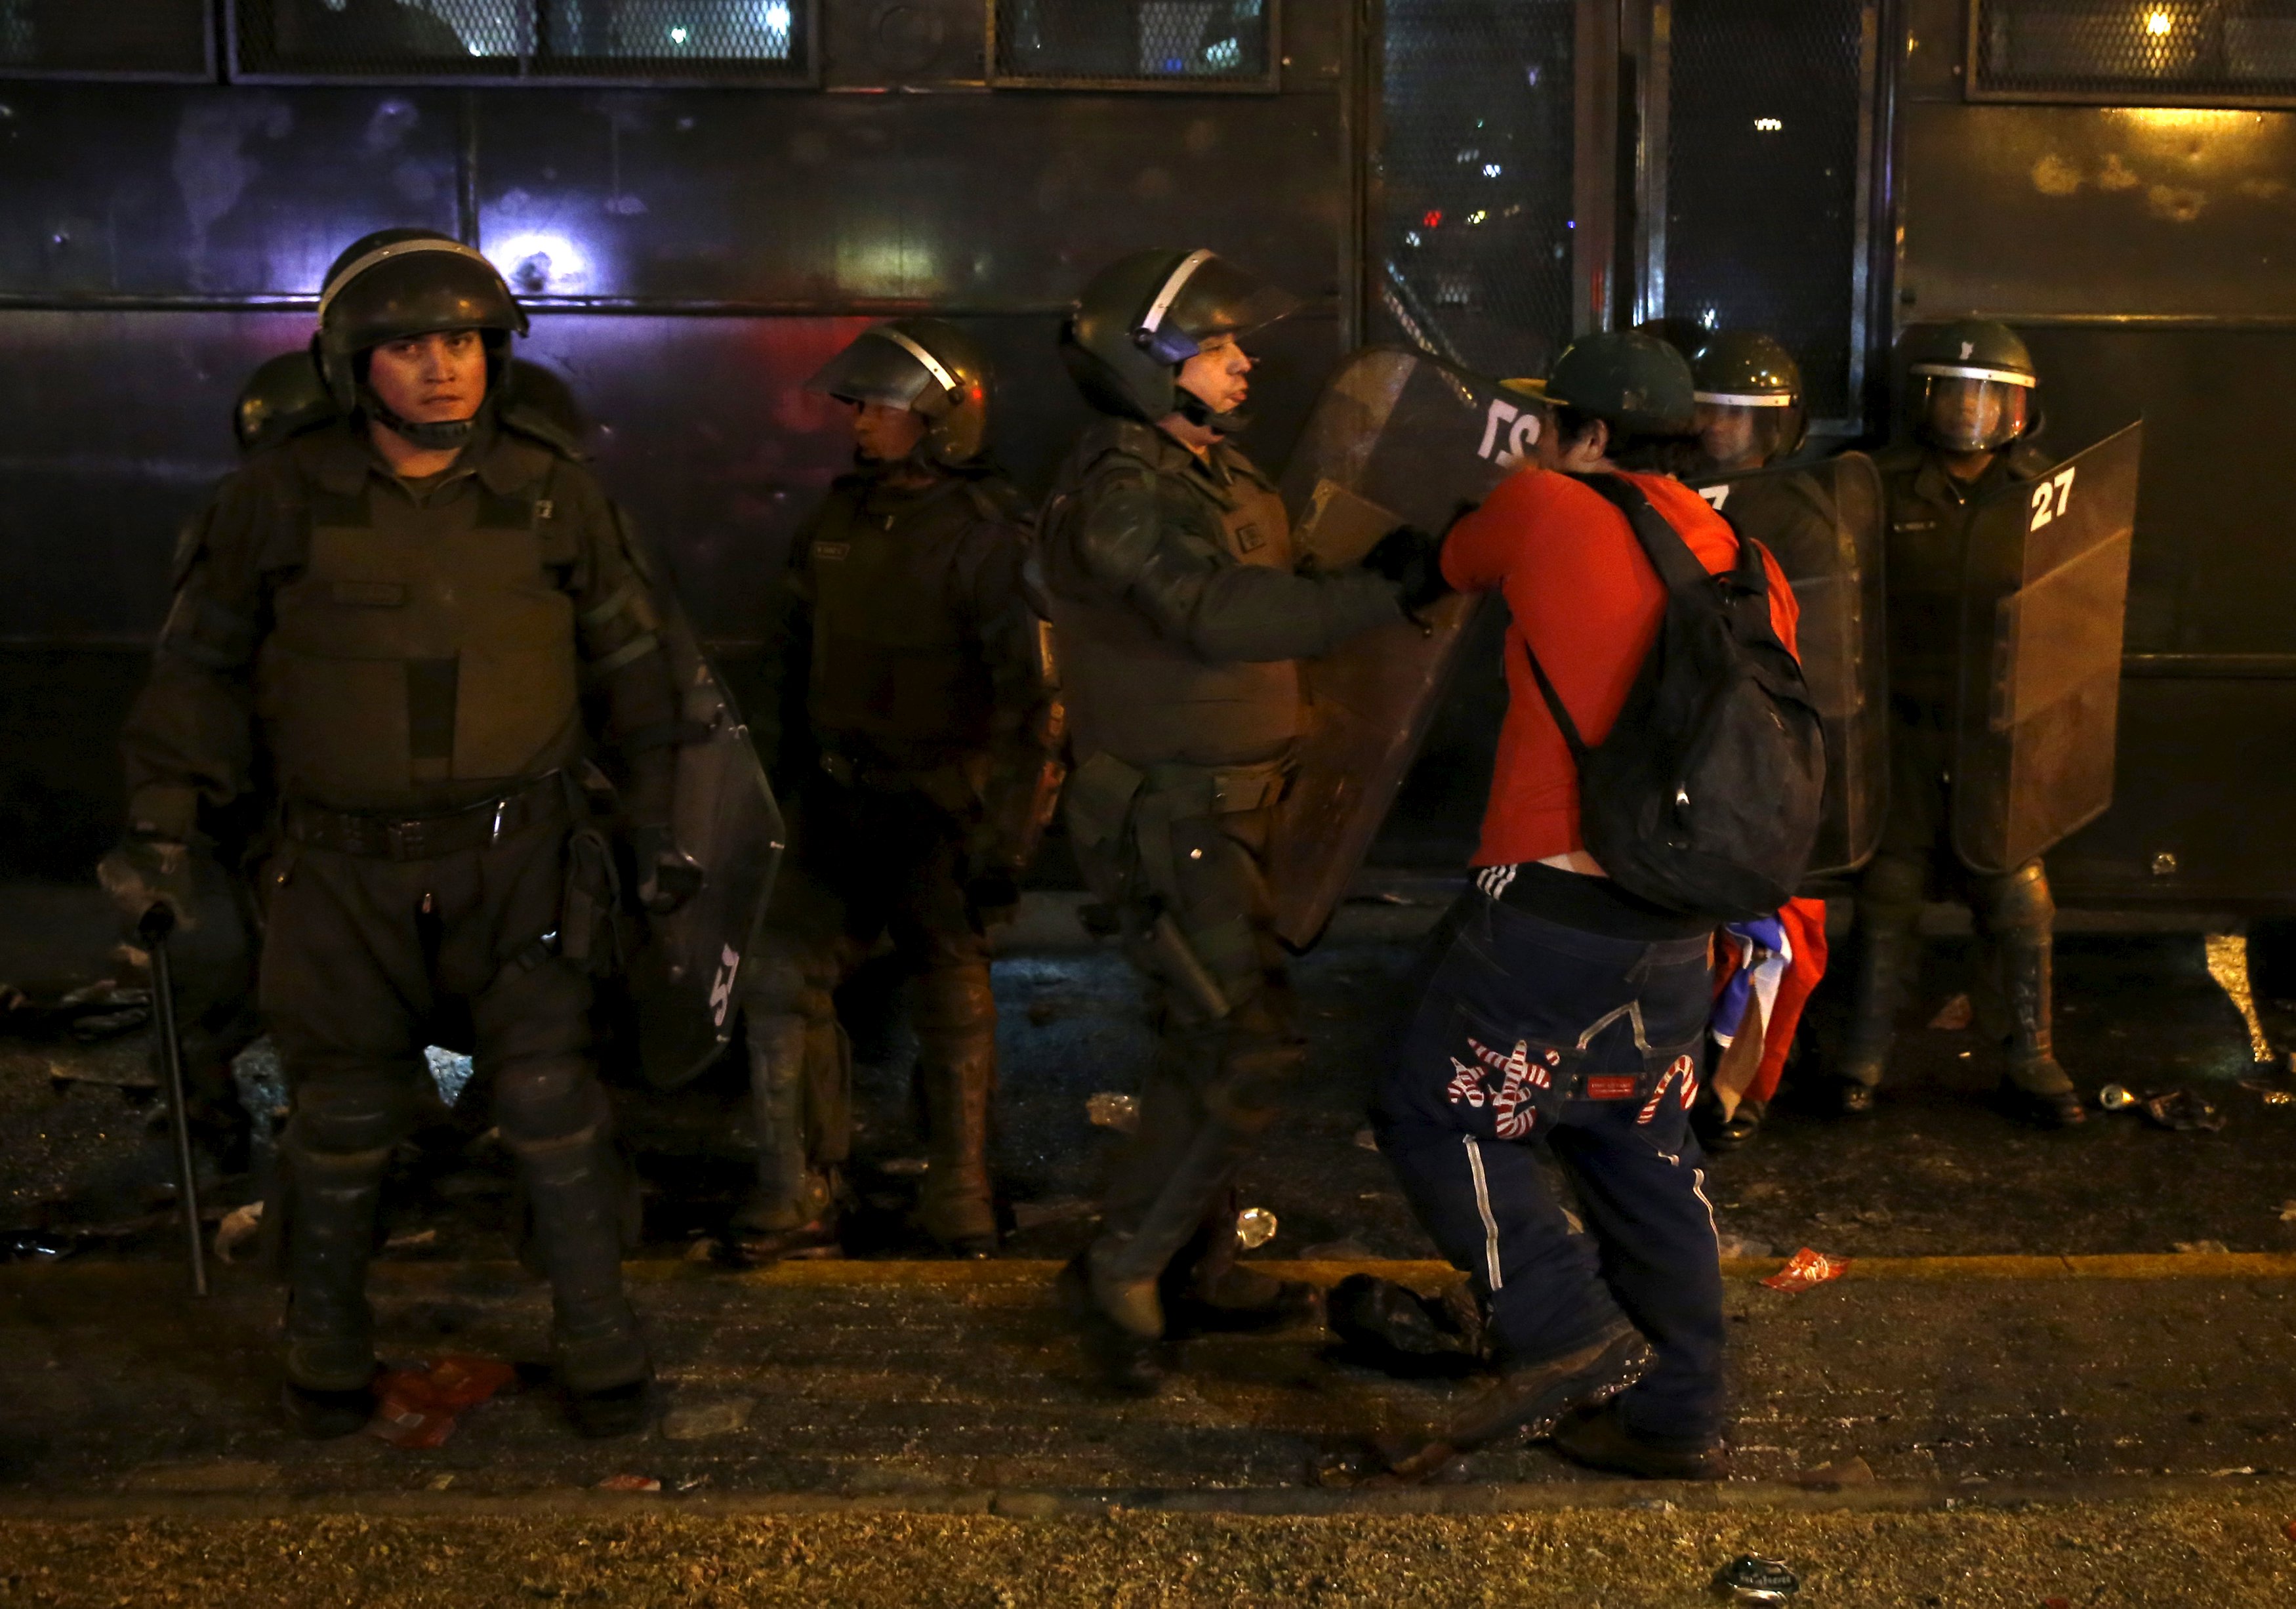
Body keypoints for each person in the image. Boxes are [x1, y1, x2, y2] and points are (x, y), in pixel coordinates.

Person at [102, 228, 695, 1440]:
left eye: (468, 342)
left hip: (521, 855)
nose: (446, 369)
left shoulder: (553, 491)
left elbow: (643, 673)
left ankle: (600, 1343)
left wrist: (667, 828)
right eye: (413, 346)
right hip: (337, 871)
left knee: (550, 1101)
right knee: (342, 1116)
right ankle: (324, 1351)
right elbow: (196, 678)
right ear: (351, 363)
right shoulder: (273, 501)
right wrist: (162, 832)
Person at [1368, 330, 1802, 1482]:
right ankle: (1677, 1414)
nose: (1544, 444)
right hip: (1679, 918)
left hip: (1551, 903)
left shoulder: (1547, 508)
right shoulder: (1747, 558)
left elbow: (1449, 562)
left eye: (1555, 424)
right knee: (1637, 1140)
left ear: (1592, 435)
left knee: (1437, 1109)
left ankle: (1562, 1334)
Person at [1038, 247, 1438, 1393]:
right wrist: (1386, 592)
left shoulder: (1210, 469)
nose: (1242, 361)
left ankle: (1196, 1264)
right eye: (1216, 347)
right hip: (1172, 817)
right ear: (1146, 366)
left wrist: (1391, 559)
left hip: (1232, 809)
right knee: (1244, 1045)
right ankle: (1122, 1266)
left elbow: (1281, 567)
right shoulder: (1120, 493)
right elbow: (1215, 613)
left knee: (1201, 1042)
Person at [733, 318, 1061, 1261]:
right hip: (839, 801)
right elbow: (788, 663)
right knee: (779, 975)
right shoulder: (838, 521)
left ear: (940, 417)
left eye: (880, 406)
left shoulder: (990, 537)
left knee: (949, 987)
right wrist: (770, 789)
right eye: (860, 405)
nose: (859, 422)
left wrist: (1007, 838)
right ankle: (794, 1187)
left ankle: (960, 1184)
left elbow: (1036, 699)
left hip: (937, 808)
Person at [1834, 320, 2081, 1129]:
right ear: (1927, 398)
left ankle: (2031, 1057)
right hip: (1901, 728)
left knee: (2017, 896)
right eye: (1957, 392)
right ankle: (1859, 1060)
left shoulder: (2043, 495)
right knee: (1888, 891)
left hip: (1995, 733)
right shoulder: (1876, 485)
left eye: (1990, 396)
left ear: (2018, 409)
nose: (1972, 412)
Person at [1683, 331, 1835, 1152]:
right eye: (1708, 409)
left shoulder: (1798, 510)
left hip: (1764, 735)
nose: (1720, 428)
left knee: (1767, 931)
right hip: (1691, 732)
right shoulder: (1668, 495)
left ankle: (1740, 1081)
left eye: (1742, 416)